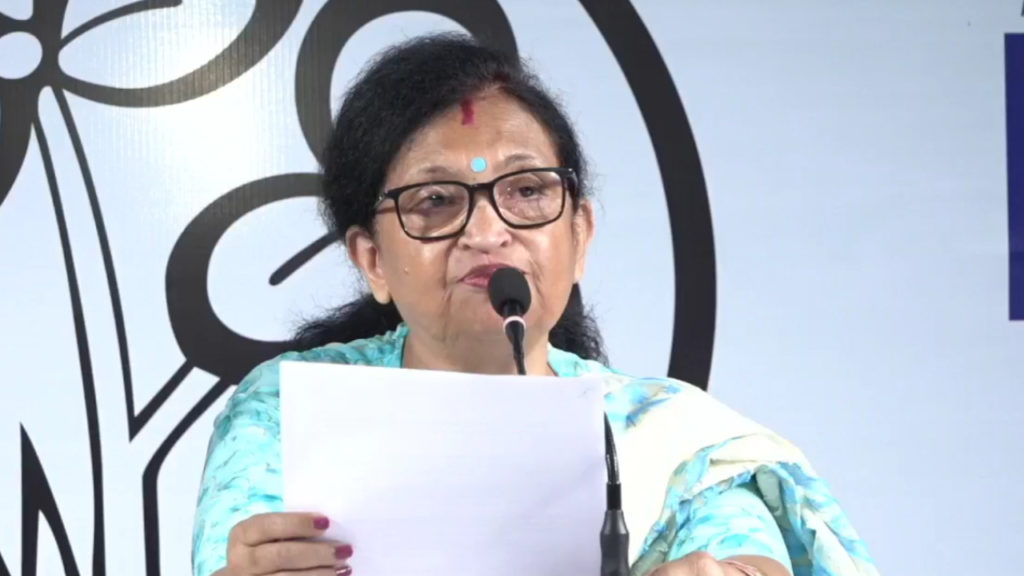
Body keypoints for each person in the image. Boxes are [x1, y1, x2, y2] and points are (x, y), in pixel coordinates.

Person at [192, 33, 878, 576]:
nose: (488, 232)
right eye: (436, 200)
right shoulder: (289, 414)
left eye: (526, 191)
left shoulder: (668, 441)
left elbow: (746, 551)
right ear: (372, 259)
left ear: (579, 236)